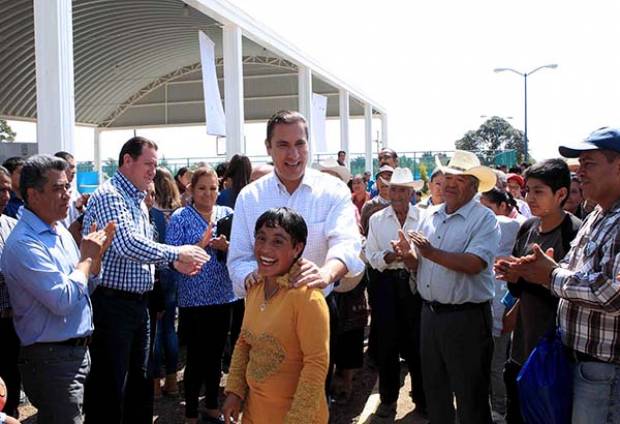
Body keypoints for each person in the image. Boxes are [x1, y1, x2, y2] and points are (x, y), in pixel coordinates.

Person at [227, 110, 364, 401]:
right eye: (283, 145)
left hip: (317, 310)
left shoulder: (333, 190)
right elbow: (237, 259)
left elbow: (347, 243)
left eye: (299, 144)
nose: (293, 154)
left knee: (311, 396)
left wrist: (326, 272)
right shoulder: (250, 197)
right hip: (262, 315)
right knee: (265, 396)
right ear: (268, 148)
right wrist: (253, 277)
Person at [82, 136, 210, 424]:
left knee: (139, 383)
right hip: (112, 305)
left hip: (138, 305)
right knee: (110, 386)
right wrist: (177, 252)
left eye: (155, 164)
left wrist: (173, 261)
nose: (153, 170)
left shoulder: (137, 199)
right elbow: (126, 244)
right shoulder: (110, 195)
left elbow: (144, 247)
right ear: (127, 161)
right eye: (148, 164)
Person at [501, 127, 620, 424]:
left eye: (589, 164)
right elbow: (570, 267)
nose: (580, 173)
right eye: (579, 165)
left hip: (604, 372)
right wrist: (531, 270)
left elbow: (611, 293)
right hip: (575, 362)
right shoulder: (598, 215)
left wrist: (549, 275)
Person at [2, 155, 114, 424]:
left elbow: (82, 287)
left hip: (73, 352)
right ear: (33, 194)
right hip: (51, 359)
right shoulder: (24, 244)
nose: (67, 195)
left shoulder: (59, 231)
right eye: (57, 188)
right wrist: (87, 259)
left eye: (67, 187)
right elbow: (62, 300)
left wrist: (94, 261)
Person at [394, 150, 500, 424]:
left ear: (475, 186)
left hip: (466, 318)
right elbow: (423, 265)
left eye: (461, 179)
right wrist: (409, 257)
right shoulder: (433, 215)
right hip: (431, 315)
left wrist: (429, 253)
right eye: (449, 177)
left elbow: (475, 263)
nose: (451, 184)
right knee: (435, 391)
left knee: (470, 396)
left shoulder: (484, 219)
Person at [222, 207, 330, 424]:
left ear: (297, 248)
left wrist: (298, 419)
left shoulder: (308, 298)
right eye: (261, 238)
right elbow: (244, 342)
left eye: (278, 241)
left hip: (296, 417)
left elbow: (316, 364)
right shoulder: (255, 287)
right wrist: (234, 392)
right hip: (255, 413)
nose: (265, 249)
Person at [495, 159, 581, 424]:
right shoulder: (528, 228)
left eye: (538, 191)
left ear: (561, 194)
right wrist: (513, 276)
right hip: (521, 350)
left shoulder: (573, 233)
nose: (529, 197)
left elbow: (573, 293)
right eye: (528, 190)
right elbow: (520, 290)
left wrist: (537, 276)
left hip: (555, 356)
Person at [166, 166, 234, 423]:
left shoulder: (228, 214)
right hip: (193, 300)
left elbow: (242, 252)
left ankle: (213, 404)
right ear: (191, 190)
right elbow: (170, 257)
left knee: (216, 355)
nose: (208, 193)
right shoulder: (181, 217)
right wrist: (199, 246)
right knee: (195, 356)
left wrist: (227, 247)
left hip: (223, 296)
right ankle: (191, 410)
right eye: (202, 188)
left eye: (213, 188)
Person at [365, 168, 426, 418]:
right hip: (386, 285)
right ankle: (388, 399)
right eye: (393, 189)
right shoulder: (377, 220)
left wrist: (410, 256)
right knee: (387, 344)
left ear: (411, 192)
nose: (397, 194)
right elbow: (371, 255)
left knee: (417, 344)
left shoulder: (424, 217)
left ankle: (422, 399)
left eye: (402, 189)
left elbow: (428, 253)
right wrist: (390, 256)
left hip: (415, 284)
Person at [479, 187, 522, 419]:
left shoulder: (506, 228)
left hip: (496, 311)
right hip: (489, 310)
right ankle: (495, 408)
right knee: (493, 365)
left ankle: (498, 409)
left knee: (494, 365)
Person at [151, 168, 182, 397]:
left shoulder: (151, 212)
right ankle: (172, 380)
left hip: (157, 273)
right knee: (170, 328)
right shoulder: (179, 210)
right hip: (174, 271)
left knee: (155, 330)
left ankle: (154, 384)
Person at [0, 167, 19, 419]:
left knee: (11, 379)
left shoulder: (13, 226)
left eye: (7, 189)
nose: (5, 195)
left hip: (13, 322)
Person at [55, 151, 89, 228]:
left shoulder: (74, 192)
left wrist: (80, 208)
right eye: (71, 167)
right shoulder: (51, 195)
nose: (74, 171)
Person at [361, 165, 393, 235]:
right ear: (377, 183)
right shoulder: (369, 206)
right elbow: (362, 233)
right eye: (380, 179)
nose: (384, 182)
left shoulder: (400, 205)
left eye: (388, 178)